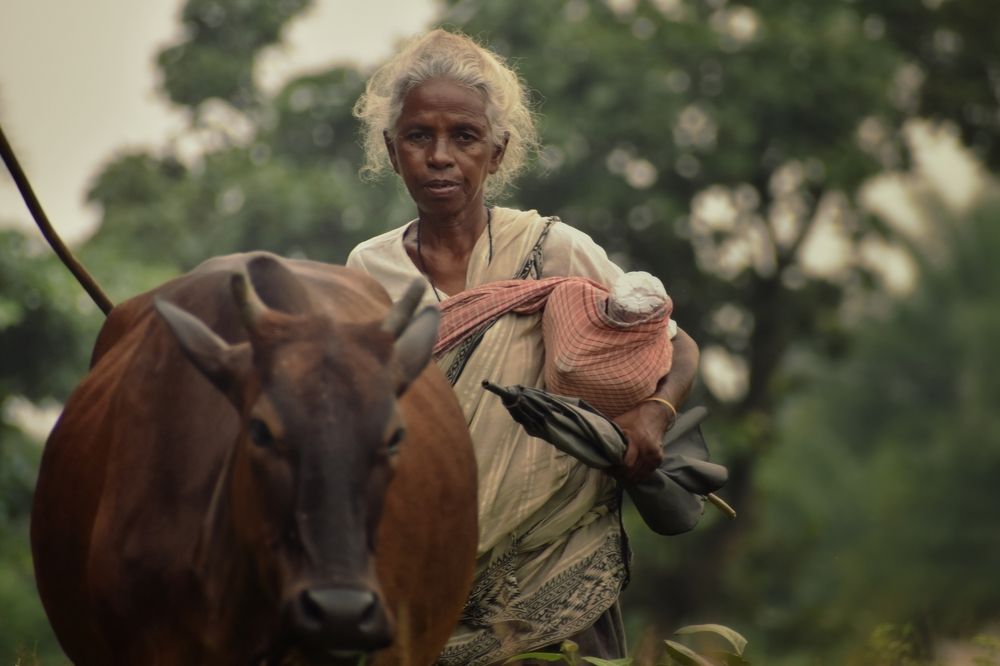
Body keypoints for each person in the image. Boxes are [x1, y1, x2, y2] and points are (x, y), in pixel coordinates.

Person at [347, 29, 700, 665]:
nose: (440, 156)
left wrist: (656, 414)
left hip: (558, 578)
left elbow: (679, 347)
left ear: (498, 152)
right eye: (419, 137)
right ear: (391, 151)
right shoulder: (367, 273)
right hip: (426, 587)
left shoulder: (554, 250)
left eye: (464, 136)